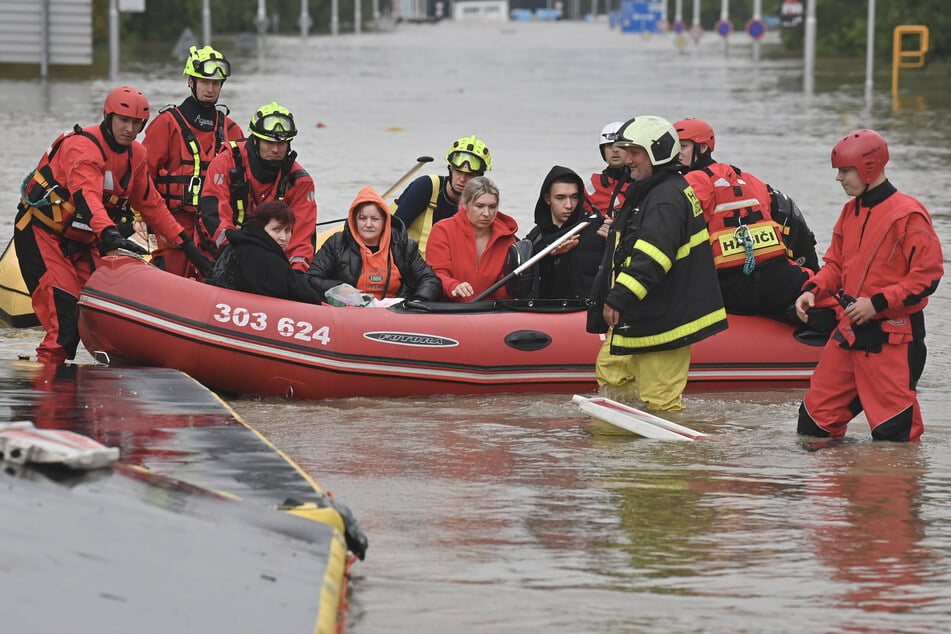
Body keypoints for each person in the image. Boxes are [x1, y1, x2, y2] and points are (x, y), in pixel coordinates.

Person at [14, 86, 211, 364]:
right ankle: (49, 389)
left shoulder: (137, 155)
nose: (130, 129)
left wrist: (188, 246)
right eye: (124, 121)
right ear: (108, 117)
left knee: (102, 311)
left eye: (137, 123)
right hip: (43, 234)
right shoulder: (82, 148)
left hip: (84, 241)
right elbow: (87, 197)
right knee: (64, 318)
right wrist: (109, 234)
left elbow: (152, 205)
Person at [794, 130, 943, 442]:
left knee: (893, 439)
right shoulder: (851, 211)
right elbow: (835, 265)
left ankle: (888, 488)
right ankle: (839, 484)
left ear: (869, 168)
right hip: (850, 332)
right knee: (813, 426)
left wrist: (875, 303)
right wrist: (812, 290)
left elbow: (927, 278)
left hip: (893, 340)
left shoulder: (908, 214)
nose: (839, 178)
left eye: (845, 171)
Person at [587, 115, 728, 412]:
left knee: (660, 401)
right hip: (641, 313)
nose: (628, 160)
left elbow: (653, 257)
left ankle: (667, 457)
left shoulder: (665, 198)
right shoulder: (654, 191)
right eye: (627, 151)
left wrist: (618, 297)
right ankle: (612, 451)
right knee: (611, 375)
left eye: (636, 152)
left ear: (658, 152)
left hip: (664, 320)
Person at [674, 118, 818, 323]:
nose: (676, 153)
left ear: (703, 147)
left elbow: (676, 227)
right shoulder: (746, 177)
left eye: (683, 146)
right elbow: (783, 212)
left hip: (727, 285)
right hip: (776, 276)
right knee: (823, 292)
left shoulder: (690, 182)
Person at [143, 45, 244, 278]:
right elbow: (141, 178)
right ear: (191, 81)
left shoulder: (231, 130)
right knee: (172, 277)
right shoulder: (167, 125)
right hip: (173, 223)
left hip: (216, 225)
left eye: (216, 83)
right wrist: (141, 218)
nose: (211, 89)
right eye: (205, 82)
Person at [199, 101, 317, 273]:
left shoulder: (299, 181)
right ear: (255, 140)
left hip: (271, 260)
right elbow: (214, 214)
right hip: (219, 252)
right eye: (269, 143)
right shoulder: (226, 163)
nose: (275, 149)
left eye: (282, 144)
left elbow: (302, 238)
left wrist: (296, 274)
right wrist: (235, 253)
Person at [307, 186, 441, 302]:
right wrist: (338, 288)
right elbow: (310, 279)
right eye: (362, 218)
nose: (368, 224)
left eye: (375, 219)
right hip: (348, 311)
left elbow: (429, 279)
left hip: (394, 312)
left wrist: (419, 300)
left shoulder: (404, 245)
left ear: (385, 221)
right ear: (354, 221)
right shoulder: (336, 243)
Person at [392, 135, 492, 258]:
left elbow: (495, 233)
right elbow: (394, 231)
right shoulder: (426, 187)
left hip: (440, 269)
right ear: (450, 169)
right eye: (458, 171)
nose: (462, 179)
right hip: (405, 261)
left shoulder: (480, 204)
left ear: (479, 177)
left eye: (469, 175)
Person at [204, 200, 322, 303]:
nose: (283, 238)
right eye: (276, 230)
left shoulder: (229, 246)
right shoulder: (271, 261)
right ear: (260, 229)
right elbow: (310, 298)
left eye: (288, 231)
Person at [518, 165, 605, 300]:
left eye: (574, 197)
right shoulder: (535, 237)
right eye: (560, 198)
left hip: (587, 310)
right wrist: (552, 255)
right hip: (549, 312)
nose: (569, 205)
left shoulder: (598, 229)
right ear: (547, 199)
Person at [426, 176, 518, 302]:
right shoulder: (442, 230)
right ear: (465, 204)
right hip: (448, 310)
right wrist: (453, 286)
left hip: (490, 312)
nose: (486, 213)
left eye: (492, 207)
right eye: (479, 206)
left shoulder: (507, 238)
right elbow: (436, 273)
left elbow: (508, 285)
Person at [587, 121, 630, 217]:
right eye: (610, 145)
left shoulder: (644, 182)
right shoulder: (592, 185)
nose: (615, 150)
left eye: (620, 145)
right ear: (603, 150)